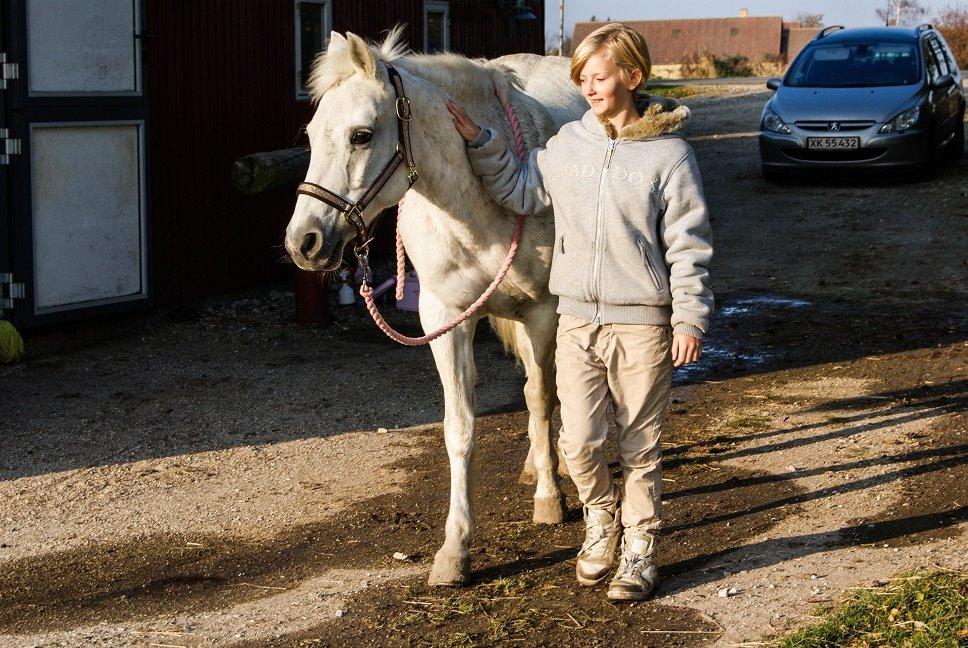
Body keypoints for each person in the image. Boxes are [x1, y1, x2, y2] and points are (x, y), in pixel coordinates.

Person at [446, 23, 713, 601]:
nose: (588, 87)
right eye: (582, 78)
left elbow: (689, 246)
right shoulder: (568, 145)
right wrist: (479, 140)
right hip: (575, 319)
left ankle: (639, 548)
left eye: (599, 76)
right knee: (580, 443)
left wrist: (689, 319)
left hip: (643, 321)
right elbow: (521, 191)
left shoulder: (670, 155)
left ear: (632, 77)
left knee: (640, 444)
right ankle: (600, 522)